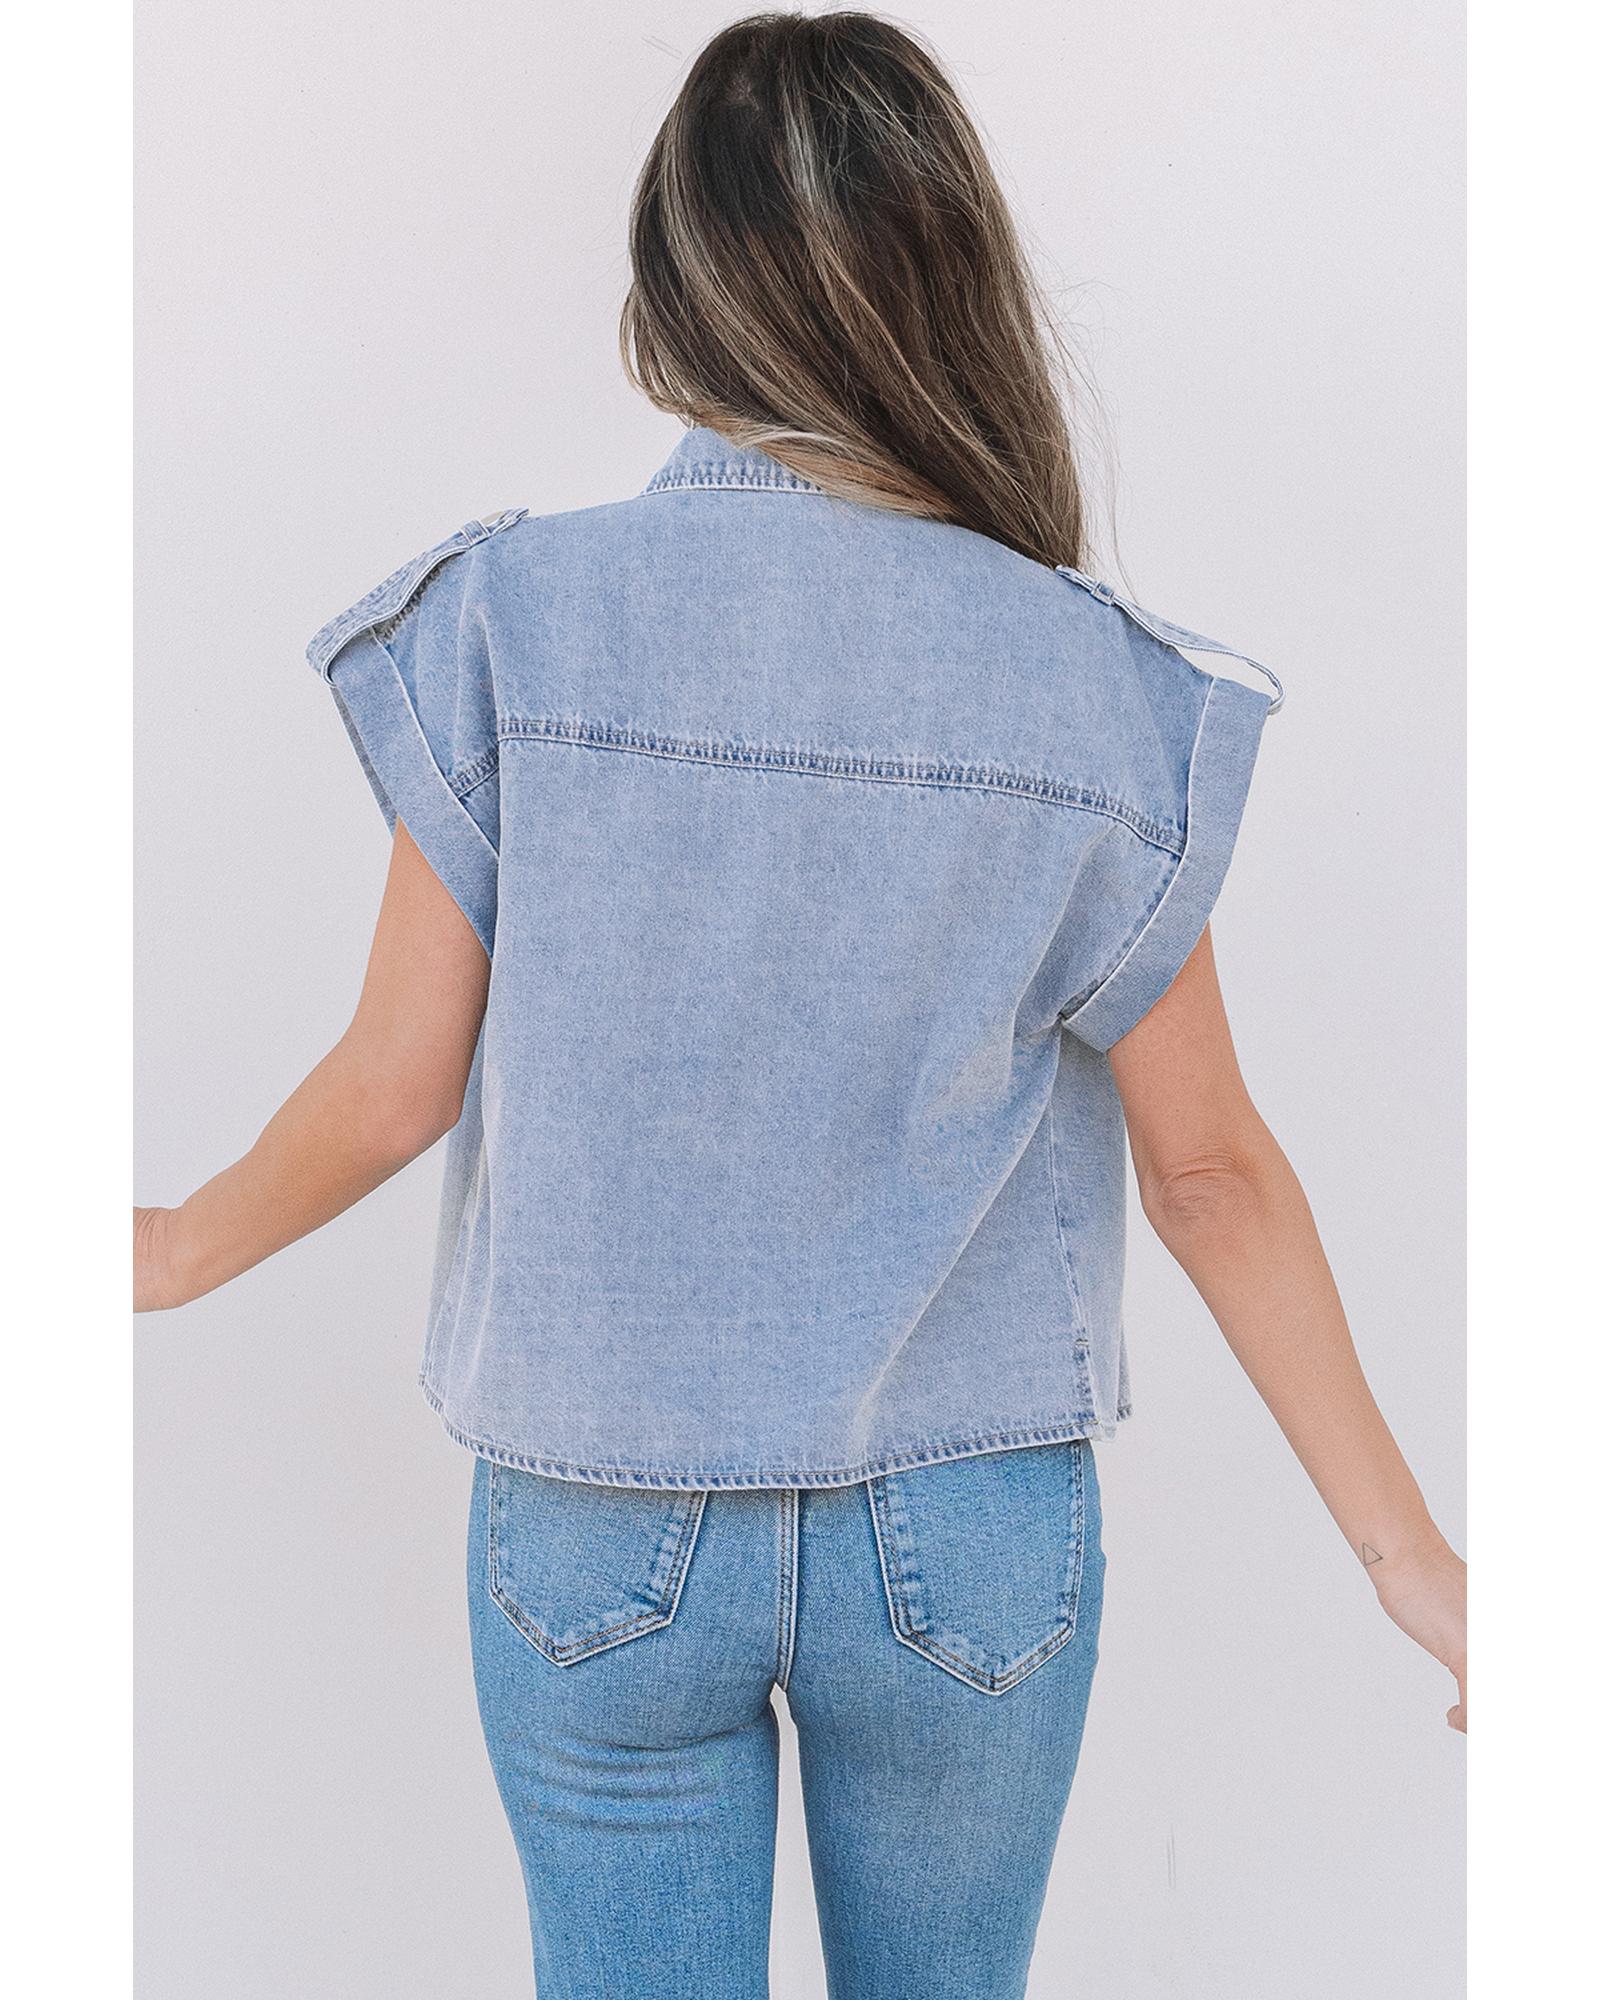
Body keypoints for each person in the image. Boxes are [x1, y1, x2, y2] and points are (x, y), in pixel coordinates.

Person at [135, 12, 1465, 1996]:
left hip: (598, 1514)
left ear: (673, 286)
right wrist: (1414, 1564)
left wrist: (166, 1248)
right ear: (955, 288)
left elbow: (395, 1088)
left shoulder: (517, 622)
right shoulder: (1092, 685)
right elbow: (1209, 1174)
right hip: (967, 1536)